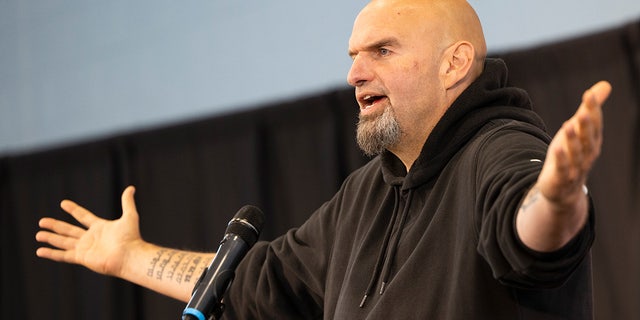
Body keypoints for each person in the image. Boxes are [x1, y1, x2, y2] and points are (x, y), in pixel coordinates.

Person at [36, 0, 612, 318]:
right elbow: (252, 283)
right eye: (354, 56)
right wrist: (129, 256)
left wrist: (559, 197)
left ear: (454, 63)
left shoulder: (501, 146)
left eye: (382, 50)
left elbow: (532, 235)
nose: (355, 73)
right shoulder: (365, 194)